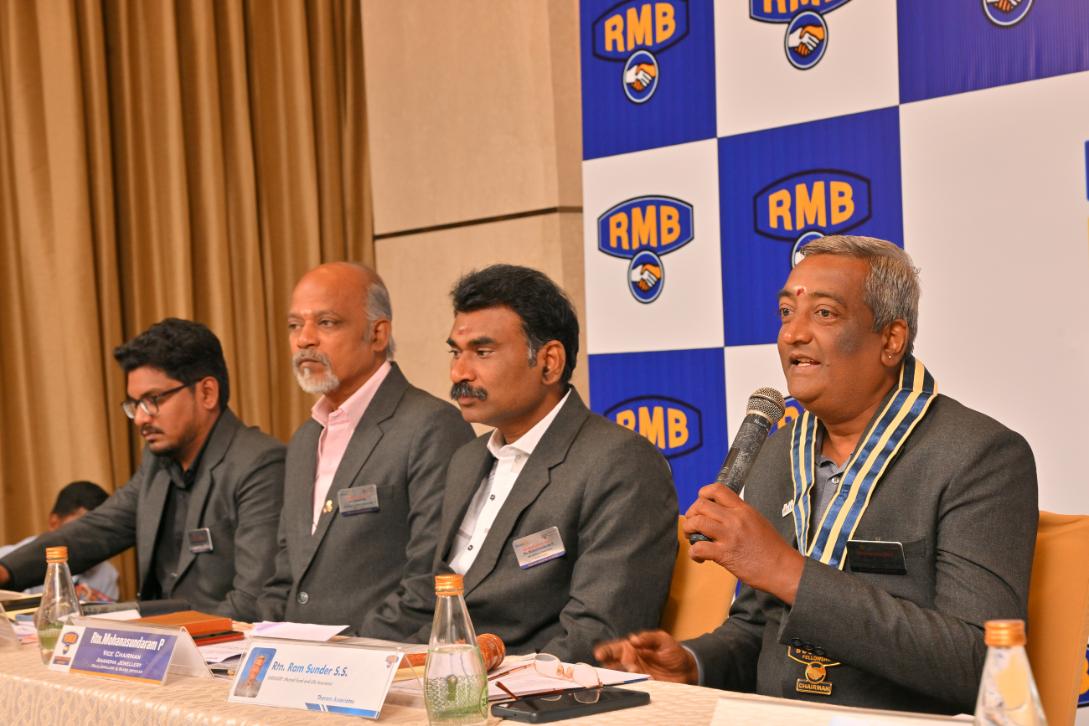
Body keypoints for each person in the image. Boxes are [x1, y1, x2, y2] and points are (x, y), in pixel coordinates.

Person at [594, 235, 1038, 714]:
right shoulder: (778, 452)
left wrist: (786, 570)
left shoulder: (979, 456)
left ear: (891, 340)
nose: (792, 334)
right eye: (787, 312)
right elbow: (759, 630)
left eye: (824, 313)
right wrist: (694, 664)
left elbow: (980, 664)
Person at [377, 264, 678, 662]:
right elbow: (430, 603)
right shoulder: (467, 460)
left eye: (482, 352)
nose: (458, 372)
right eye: (455, 352)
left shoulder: (620, 463)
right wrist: (368, 662)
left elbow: (598, 636)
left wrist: (471, 680)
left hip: (535, 690)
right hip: (441, 677)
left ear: (549, 362)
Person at [0, 318, 285, 621]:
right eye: (134, 404)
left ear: (206, 393)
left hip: (224, 645)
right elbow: (96, 530)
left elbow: (253, 601)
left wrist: (155, 631)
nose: (139, 418)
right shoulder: (156, 463)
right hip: (159, 639)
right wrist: (6, 570)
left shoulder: (260, 464)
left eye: (153, 400)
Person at [259, 262, 473, 632]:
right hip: (294, 658)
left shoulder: (431, 426)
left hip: (380, 657)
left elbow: (429, 582)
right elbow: (285, 575)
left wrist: (349, 654)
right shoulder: (304, 439)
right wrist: (264, 640)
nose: (304, 339)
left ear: (377, 333)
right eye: (294, 325)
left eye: (326, 322)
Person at [0, 481, 119, 600]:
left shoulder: (106, 573)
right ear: (54, 523)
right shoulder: (4, 561)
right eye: (78, 532)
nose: (88, 540)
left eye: (96, 533)